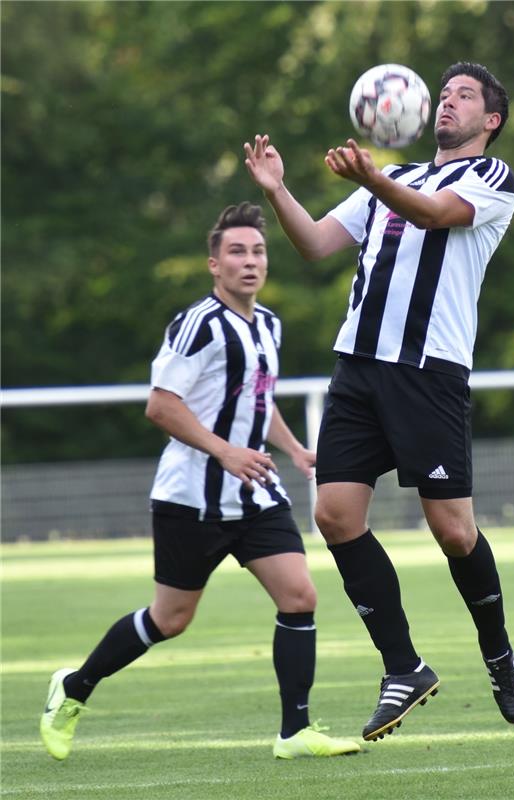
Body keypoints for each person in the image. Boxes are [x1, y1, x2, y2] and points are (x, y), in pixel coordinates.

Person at [242, 62, 514, 742]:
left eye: (465, 97)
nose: (449, 103)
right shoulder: (393, 179)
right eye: (447, 94)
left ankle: (499, 652)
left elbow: (436, 216)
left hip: (428, 373)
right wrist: (279, 190)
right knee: (335, 516)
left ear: (490, 120)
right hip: (360, 368)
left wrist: (371, 177)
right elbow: (314, 244)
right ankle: (403, 665)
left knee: (453, 531)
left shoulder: (491, 178)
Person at [39, 203, 360, 761]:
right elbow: (161, 406)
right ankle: (74, 687)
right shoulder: (199, 323)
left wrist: (293, 449)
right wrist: (225, 452)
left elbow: (257, 398)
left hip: (254, 491)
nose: (250, 261)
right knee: (171, 619)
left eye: (258, 251)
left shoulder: (269, 324)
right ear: (214, 264)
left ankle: (295, 733)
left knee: (300, 595)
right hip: (191, 495)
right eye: (236, 252)